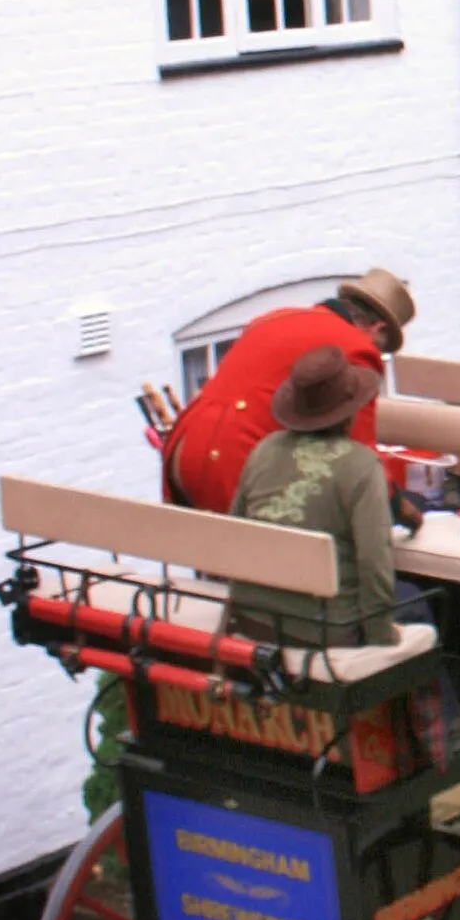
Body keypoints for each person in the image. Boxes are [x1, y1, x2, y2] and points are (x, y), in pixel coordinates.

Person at [163, 266, 416, 516]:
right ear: (378, 328)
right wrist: (397, 504)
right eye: (381, 347)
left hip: (184, 447)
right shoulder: (358, 347)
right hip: (235, 457)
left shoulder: (275, 317)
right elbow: (359, 451)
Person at [226, 347, 401, 647]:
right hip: (324, 630)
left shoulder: (264, 450)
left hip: (251, 619)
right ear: (351, 410)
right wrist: (381, 639)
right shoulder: (361, 465)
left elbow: (234, 529)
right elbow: (375, 561)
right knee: (424, 604)